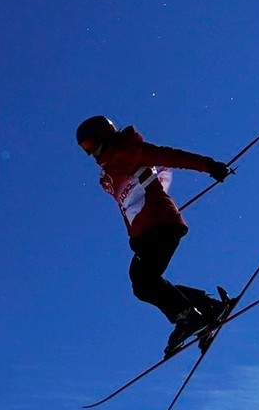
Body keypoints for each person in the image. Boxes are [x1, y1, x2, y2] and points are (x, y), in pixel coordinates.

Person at [75, 115, 233, 356]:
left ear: (104, 136)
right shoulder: (109, 175)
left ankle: (188, 316)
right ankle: (205, 307)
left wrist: (209, 166)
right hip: (146, 234)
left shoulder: (130, 151)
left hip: (163, 224)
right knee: (142, 284)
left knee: (144, 279)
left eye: (90, 144)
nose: (90, 153)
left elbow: (172, 156)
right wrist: (135, 237)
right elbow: (129, 206)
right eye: (84, 149)